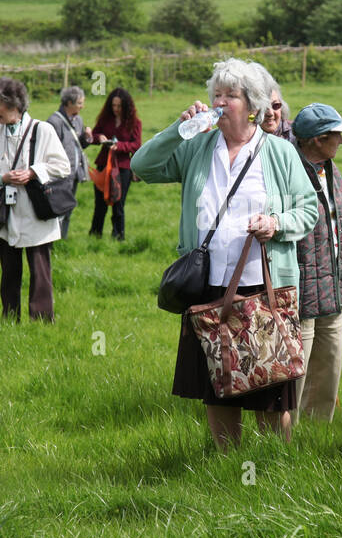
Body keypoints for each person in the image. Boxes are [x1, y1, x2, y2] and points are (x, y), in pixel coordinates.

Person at [132, 58, 318, 450]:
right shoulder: (197, 146)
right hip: (210, 286)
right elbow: (142, 165)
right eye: (216, 93)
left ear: (251, 105)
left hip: (264, 287)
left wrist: (276, 224)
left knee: (271, 384)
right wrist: (177, 130)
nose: (219, 101)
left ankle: (274, 464)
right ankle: (226, 462)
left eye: (230, 95)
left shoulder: (280, 153)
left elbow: (308, 210)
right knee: (218, 384)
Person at [0, 77, 70, 322]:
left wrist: (33, 172)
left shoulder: (43, 130)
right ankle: (10, 318)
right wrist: (1, 178)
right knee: (9, 271)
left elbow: (62, 166)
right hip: (5, 213)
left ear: (14, 105)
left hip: (37, 212)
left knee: (40, 272)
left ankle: (42, 321)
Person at [291, 103, 342, 421]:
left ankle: (318, 434)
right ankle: (284, 438)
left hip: (333, 288)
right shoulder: (288, 172)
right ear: (318, 139)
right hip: (300, 292)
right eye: (337, 135)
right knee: (295, 373)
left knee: (330, 368)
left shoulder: (332, 171)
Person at [87, 87, 142, 241]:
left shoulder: (135, 123)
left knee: (118, 204)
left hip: (123, 167)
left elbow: (136, 144)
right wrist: (100, 138)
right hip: (104, 165)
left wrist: (120, 147)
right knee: (100, 204)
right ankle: (95, 235)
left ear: (126, 106)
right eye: (113, 105)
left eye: (119, 106)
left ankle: (118, 236)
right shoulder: (105, 119)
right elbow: (94, 136)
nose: (116, 109)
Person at [48, 85, 92, 237]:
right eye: (79, 103)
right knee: (58, 209)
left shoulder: (78, 119)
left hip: (74, 173)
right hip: (60, 175)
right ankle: (51, 241)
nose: (82, 106)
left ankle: (62, 238)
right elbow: (49, 149)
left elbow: (80, 145)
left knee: (68, 208)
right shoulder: (54, 122)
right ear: (69, 103)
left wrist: (87, 138)